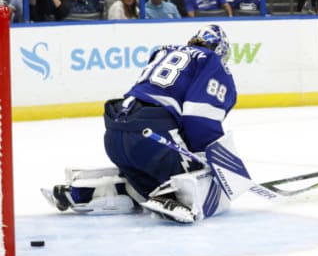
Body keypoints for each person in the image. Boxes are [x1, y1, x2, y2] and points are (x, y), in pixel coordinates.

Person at [43, 25, 238, 223]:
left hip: (116, 133)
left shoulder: (165, 51)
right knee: (203, 175)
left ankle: (83, 192)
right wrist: (212, 158)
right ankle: (172, 197)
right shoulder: (211, 61)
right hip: (153, 138)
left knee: (142, 182)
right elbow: (199, 120)